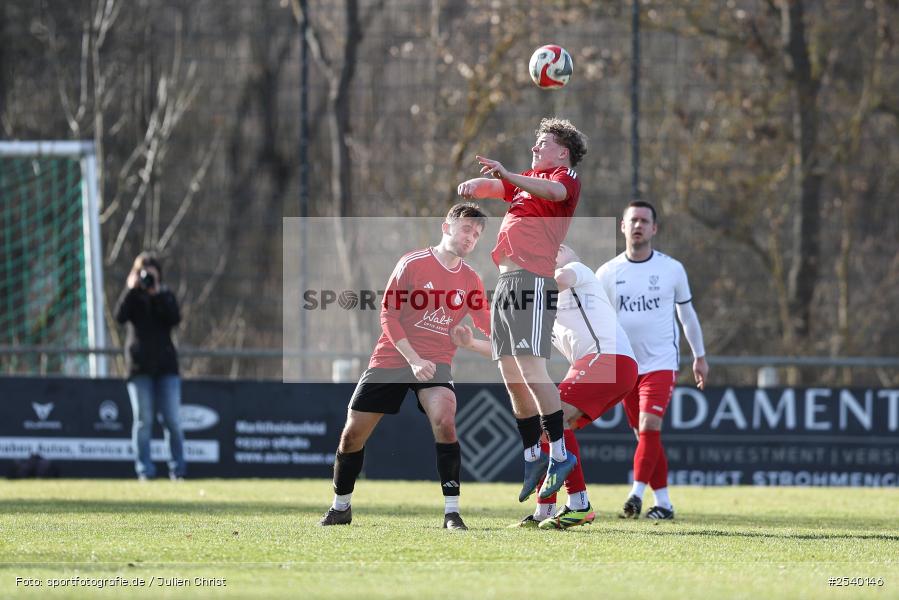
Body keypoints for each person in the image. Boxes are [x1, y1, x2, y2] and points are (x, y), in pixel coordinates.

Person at [318, 203, 491, 530]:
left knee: (445, 421)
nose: (471, 237)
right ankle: (341, 507)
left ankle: (452, 513)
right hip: (393, 357)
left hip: (437, 361)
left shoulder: (470, 280)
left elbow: (491, 327)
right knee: (351, 436)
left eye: (477, 234)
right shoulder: (413, 263)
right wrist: (413, 359)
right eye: (467, 229)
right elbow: (388, 316)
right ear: (447, 227)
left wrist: (517, 334)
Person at [453, 244, 637, 529]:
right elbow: (510, 346)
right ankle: (546, 509)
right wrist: (470, 344)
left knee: (552, 419)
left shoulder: (576, 271)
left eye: (559, 249)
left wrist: (517, 285)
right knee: (547, 427)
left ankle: (579, 504)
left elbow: (557, 280)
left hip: (608, 359)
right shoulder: (545, 308)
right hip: (609, 365)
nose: (554, 251)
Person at [457, 117, 588, 502]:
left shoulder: (565, 176)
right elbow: (498, 186)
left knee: (532, 368)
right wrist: (477, 186)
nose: (535, 147)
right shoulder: (528, 178)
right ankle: (533, 454)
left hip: (533, 279)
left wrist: (508, 173)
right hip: (508, 280)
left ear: (561, 152)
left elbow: (551, 191)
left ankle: (559, 456)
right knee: (509, 368)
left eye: (543, 142)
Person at [595, 201, 709, 520]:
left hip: (660, 363)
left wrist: (699, 356)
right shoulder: (607, 272)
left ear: (654, 229)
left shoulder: (671, 269)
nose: (638, 226)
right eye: (633, 220)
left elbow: (687, 315)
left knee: (649, 426)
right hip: (626, 366)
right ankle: (665, 504)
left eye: (645, 221)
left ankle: (635, 494)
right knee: (645, 437)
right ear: (623, 226)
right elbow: (597, 319)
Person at [115, 252, 185, 481]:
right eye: (142, 273)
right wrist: (130, 289)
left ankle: (178, 470)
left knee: (172, 420)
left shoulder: (164, 295)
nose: (146, 279)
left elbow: (175, 319)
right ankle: (145, 471)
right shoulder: (133, 297)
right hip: (139, 369)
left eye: (150, 274)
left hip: (166, 368)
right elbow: (119, 317)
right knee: (143, 420)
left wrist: (157, 294)